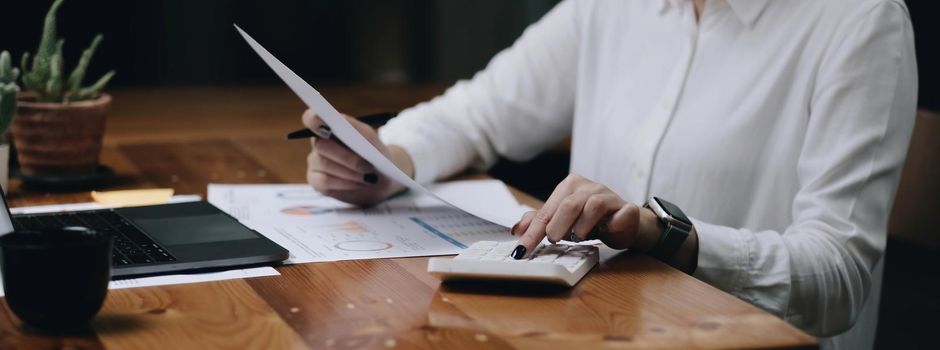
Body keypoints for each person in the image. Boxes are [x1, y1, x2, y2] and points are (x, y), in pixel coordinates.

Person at [301, 0, 917, 348]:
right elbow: (479, 111)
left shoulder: (859, 22)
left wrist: (665, 234)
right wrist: (384, 160)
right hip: (598, 332)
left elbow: (836, 279)